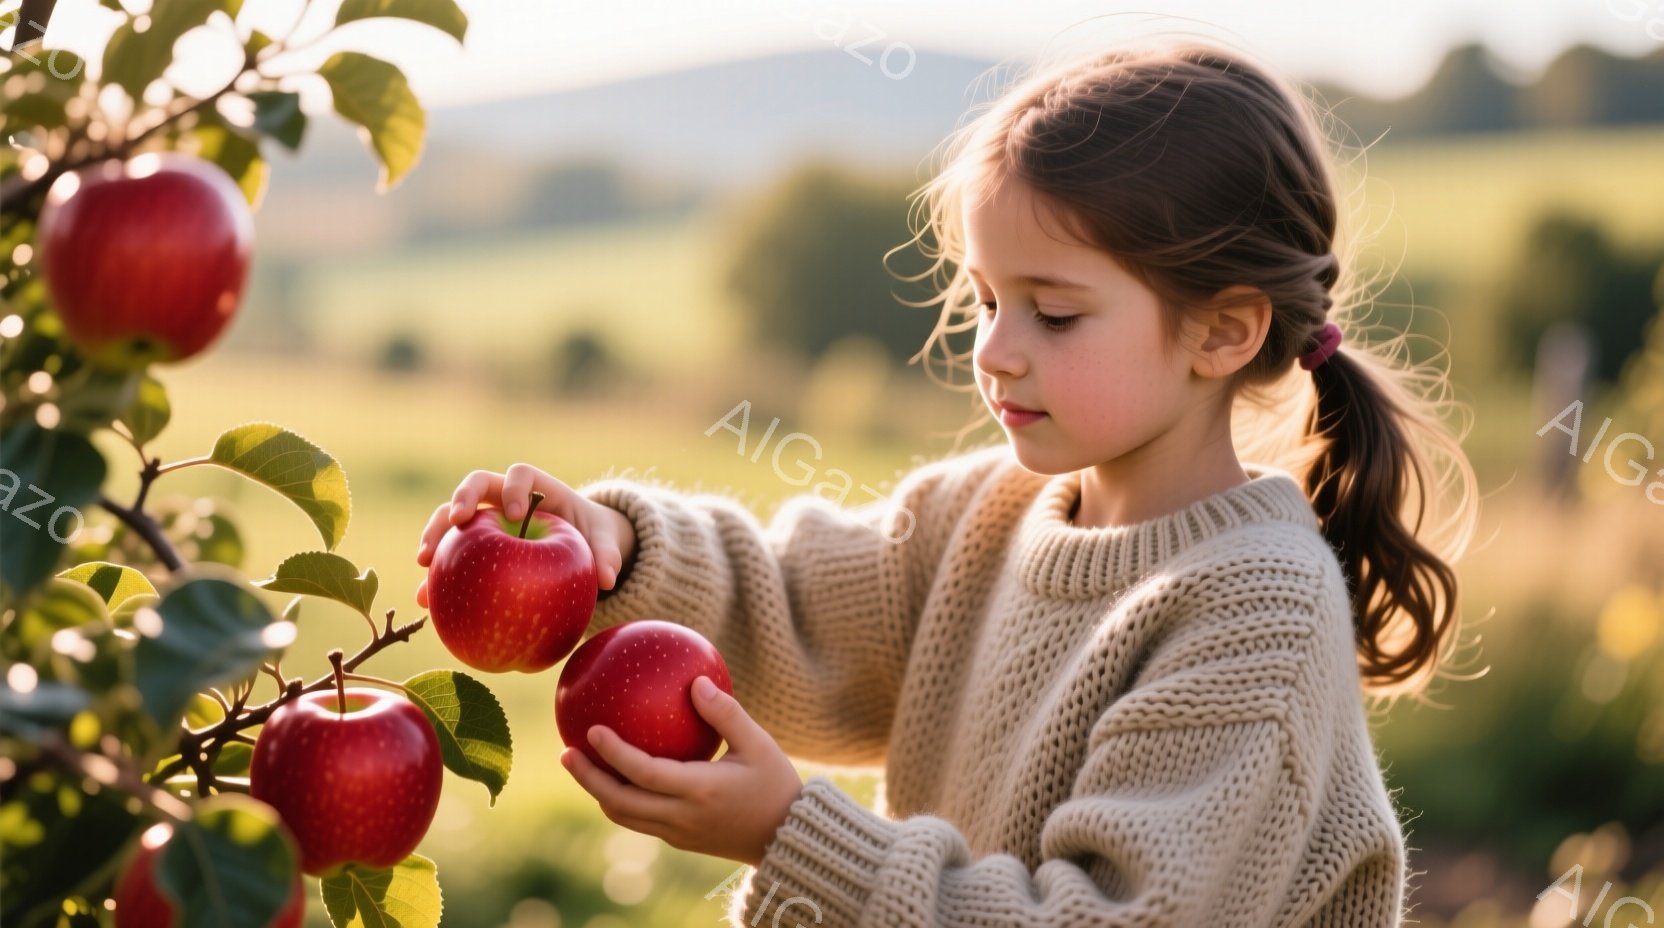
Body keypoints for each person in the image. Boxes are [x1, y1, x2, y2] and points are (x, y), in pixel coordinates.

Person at [414, 40, 1479, 926]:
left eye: (1053, 312)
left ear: (1222, 328)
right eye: (982, 299)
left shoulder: (1256, 608)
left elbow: (1104, 917)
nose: (996, 350)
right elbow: (794, 610)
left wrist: (792, 835)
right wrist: (614, 545)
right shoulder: (980, 514)